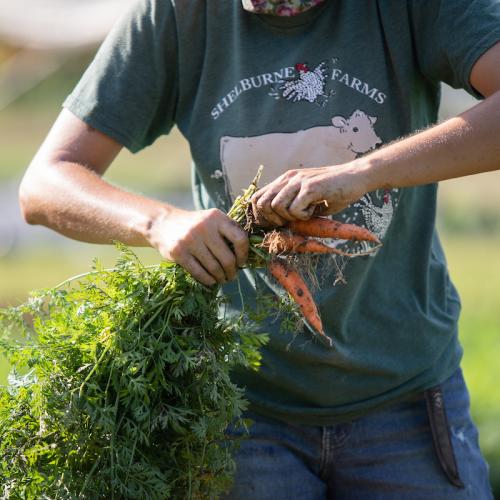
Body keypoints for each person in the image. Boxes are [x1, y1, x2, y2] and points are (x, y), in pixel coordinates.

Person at [18, 0, 500, 498]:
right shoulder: (178, 14)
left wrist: (364, 171)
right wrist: (160, 222)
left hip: (407, 402)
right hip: (240, 413)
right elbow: (45, 184)